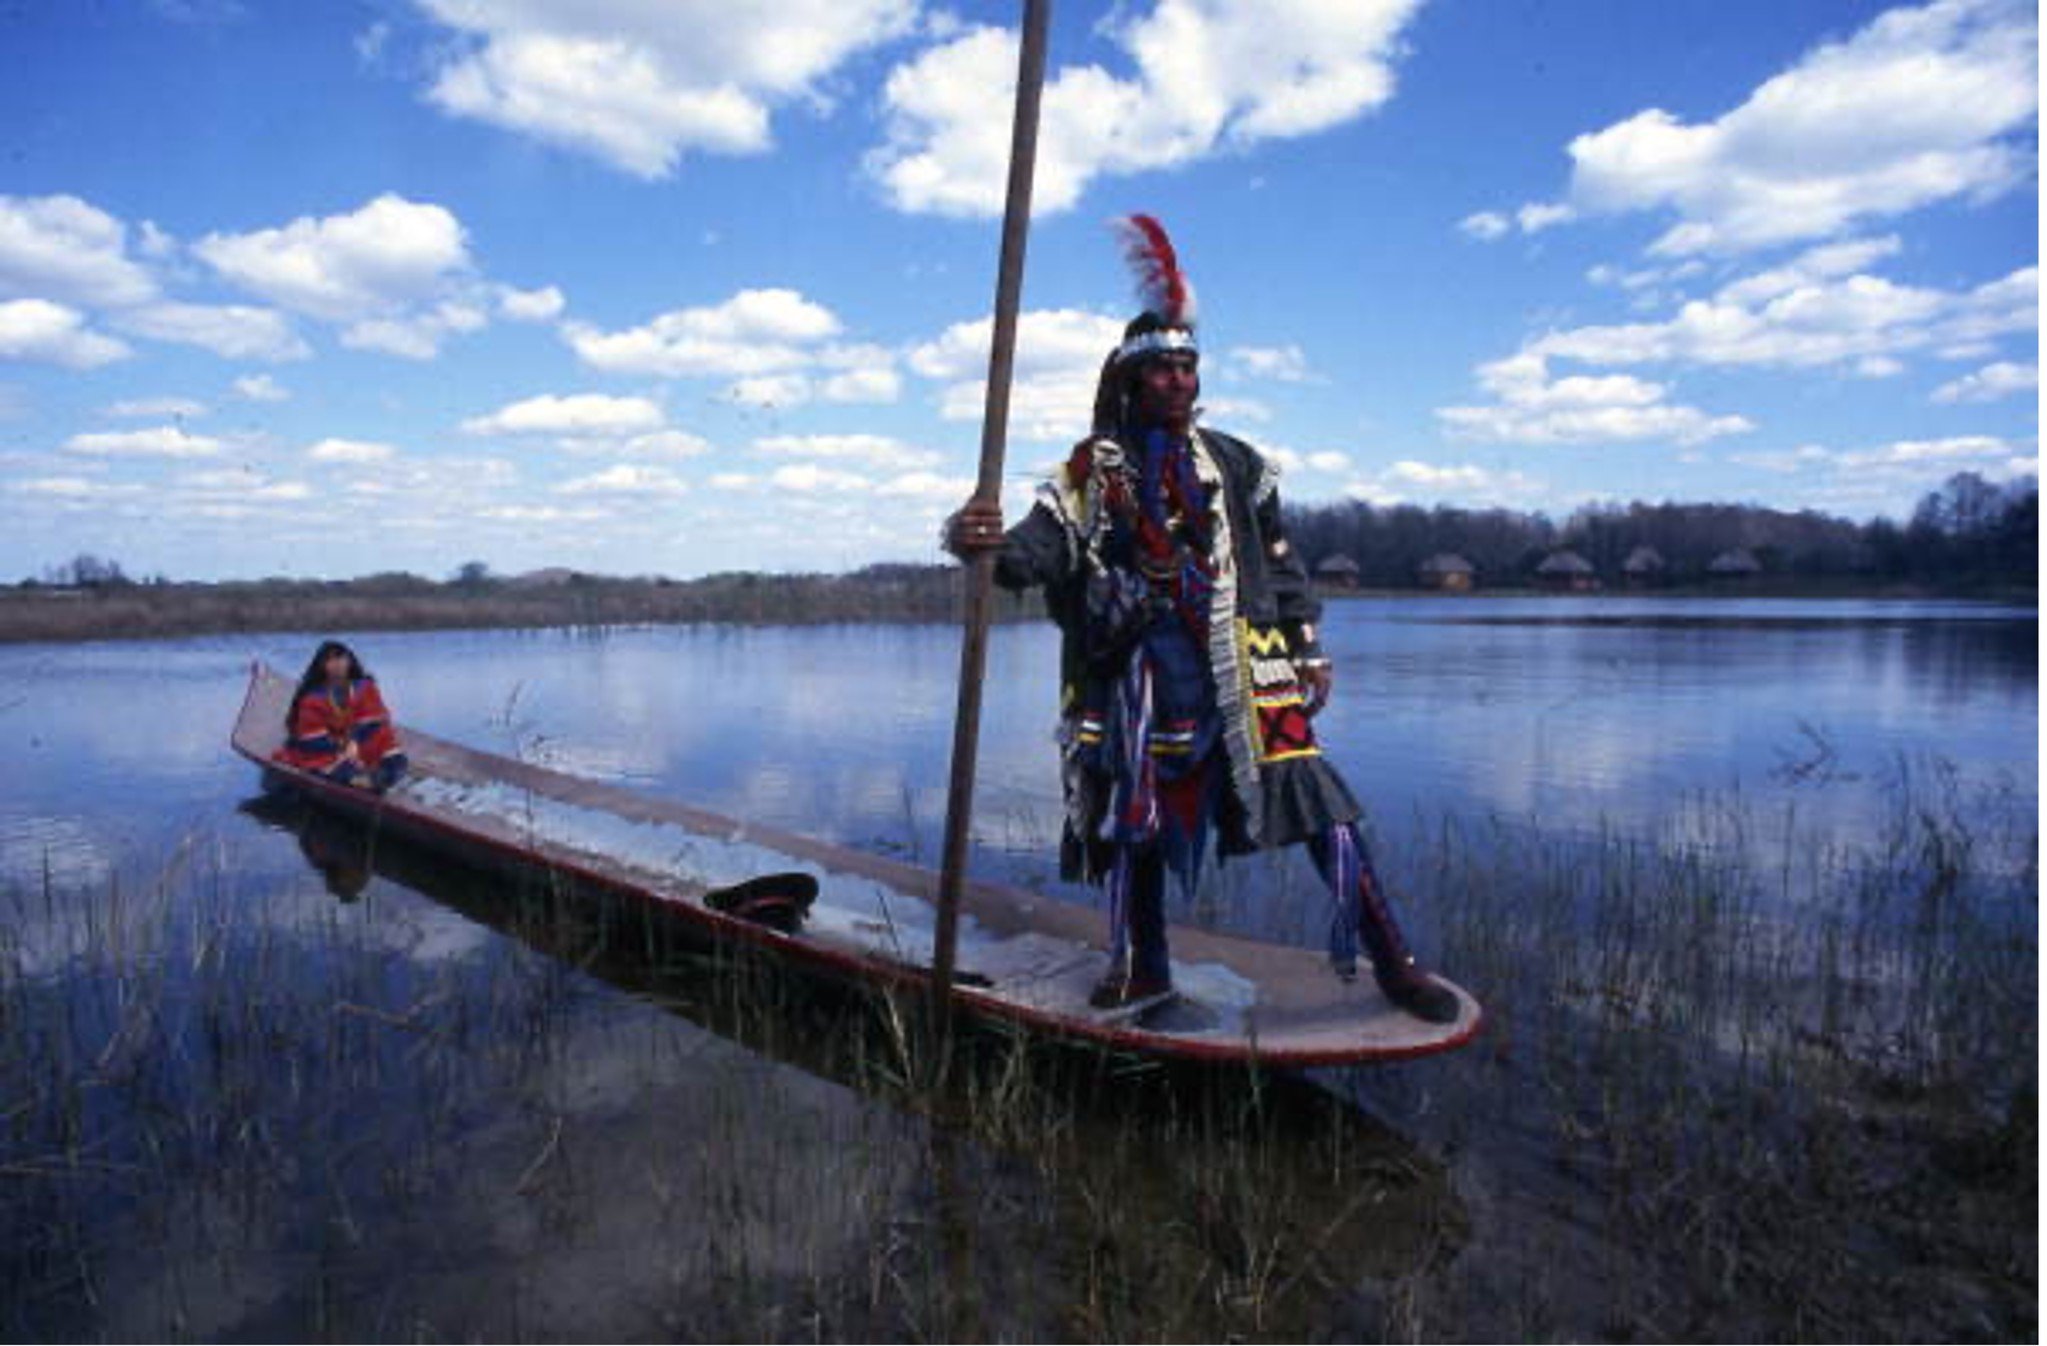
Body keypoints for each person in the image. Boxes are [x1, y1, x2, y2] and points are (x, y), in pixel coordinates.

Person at [944, 215, 1458, 1023]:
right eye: (1161, 371)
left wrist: (1309, 651)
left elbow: (1281, 564)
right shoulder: (1092, 469)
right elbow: (1030, 554)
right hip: (1146, 675)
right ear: (1129, 381)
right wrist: (970, 537)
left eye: (1187, 367)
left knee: (1322, 808)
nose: (1178, 382)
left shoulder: (1239, 461)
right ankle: (1143, 968)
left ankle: (1394, 963)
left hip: (1250, 664)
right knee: (1138, 819)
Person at [274, 640, 409, 792]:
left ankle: (376, 778)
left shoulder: (365, 687)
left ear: (349, 660)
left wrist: (355, 742)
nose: (337, 663)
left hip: (358, 743)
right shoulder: (312, 699)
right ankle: (364, 779)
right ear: (322, 666)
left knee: (397, 760)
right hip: (327, 750)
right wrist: (344, 747)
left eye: (340, 657)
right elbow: (312, 741)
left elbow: (374, 720)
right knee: (342, 769)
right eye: (330, 660)